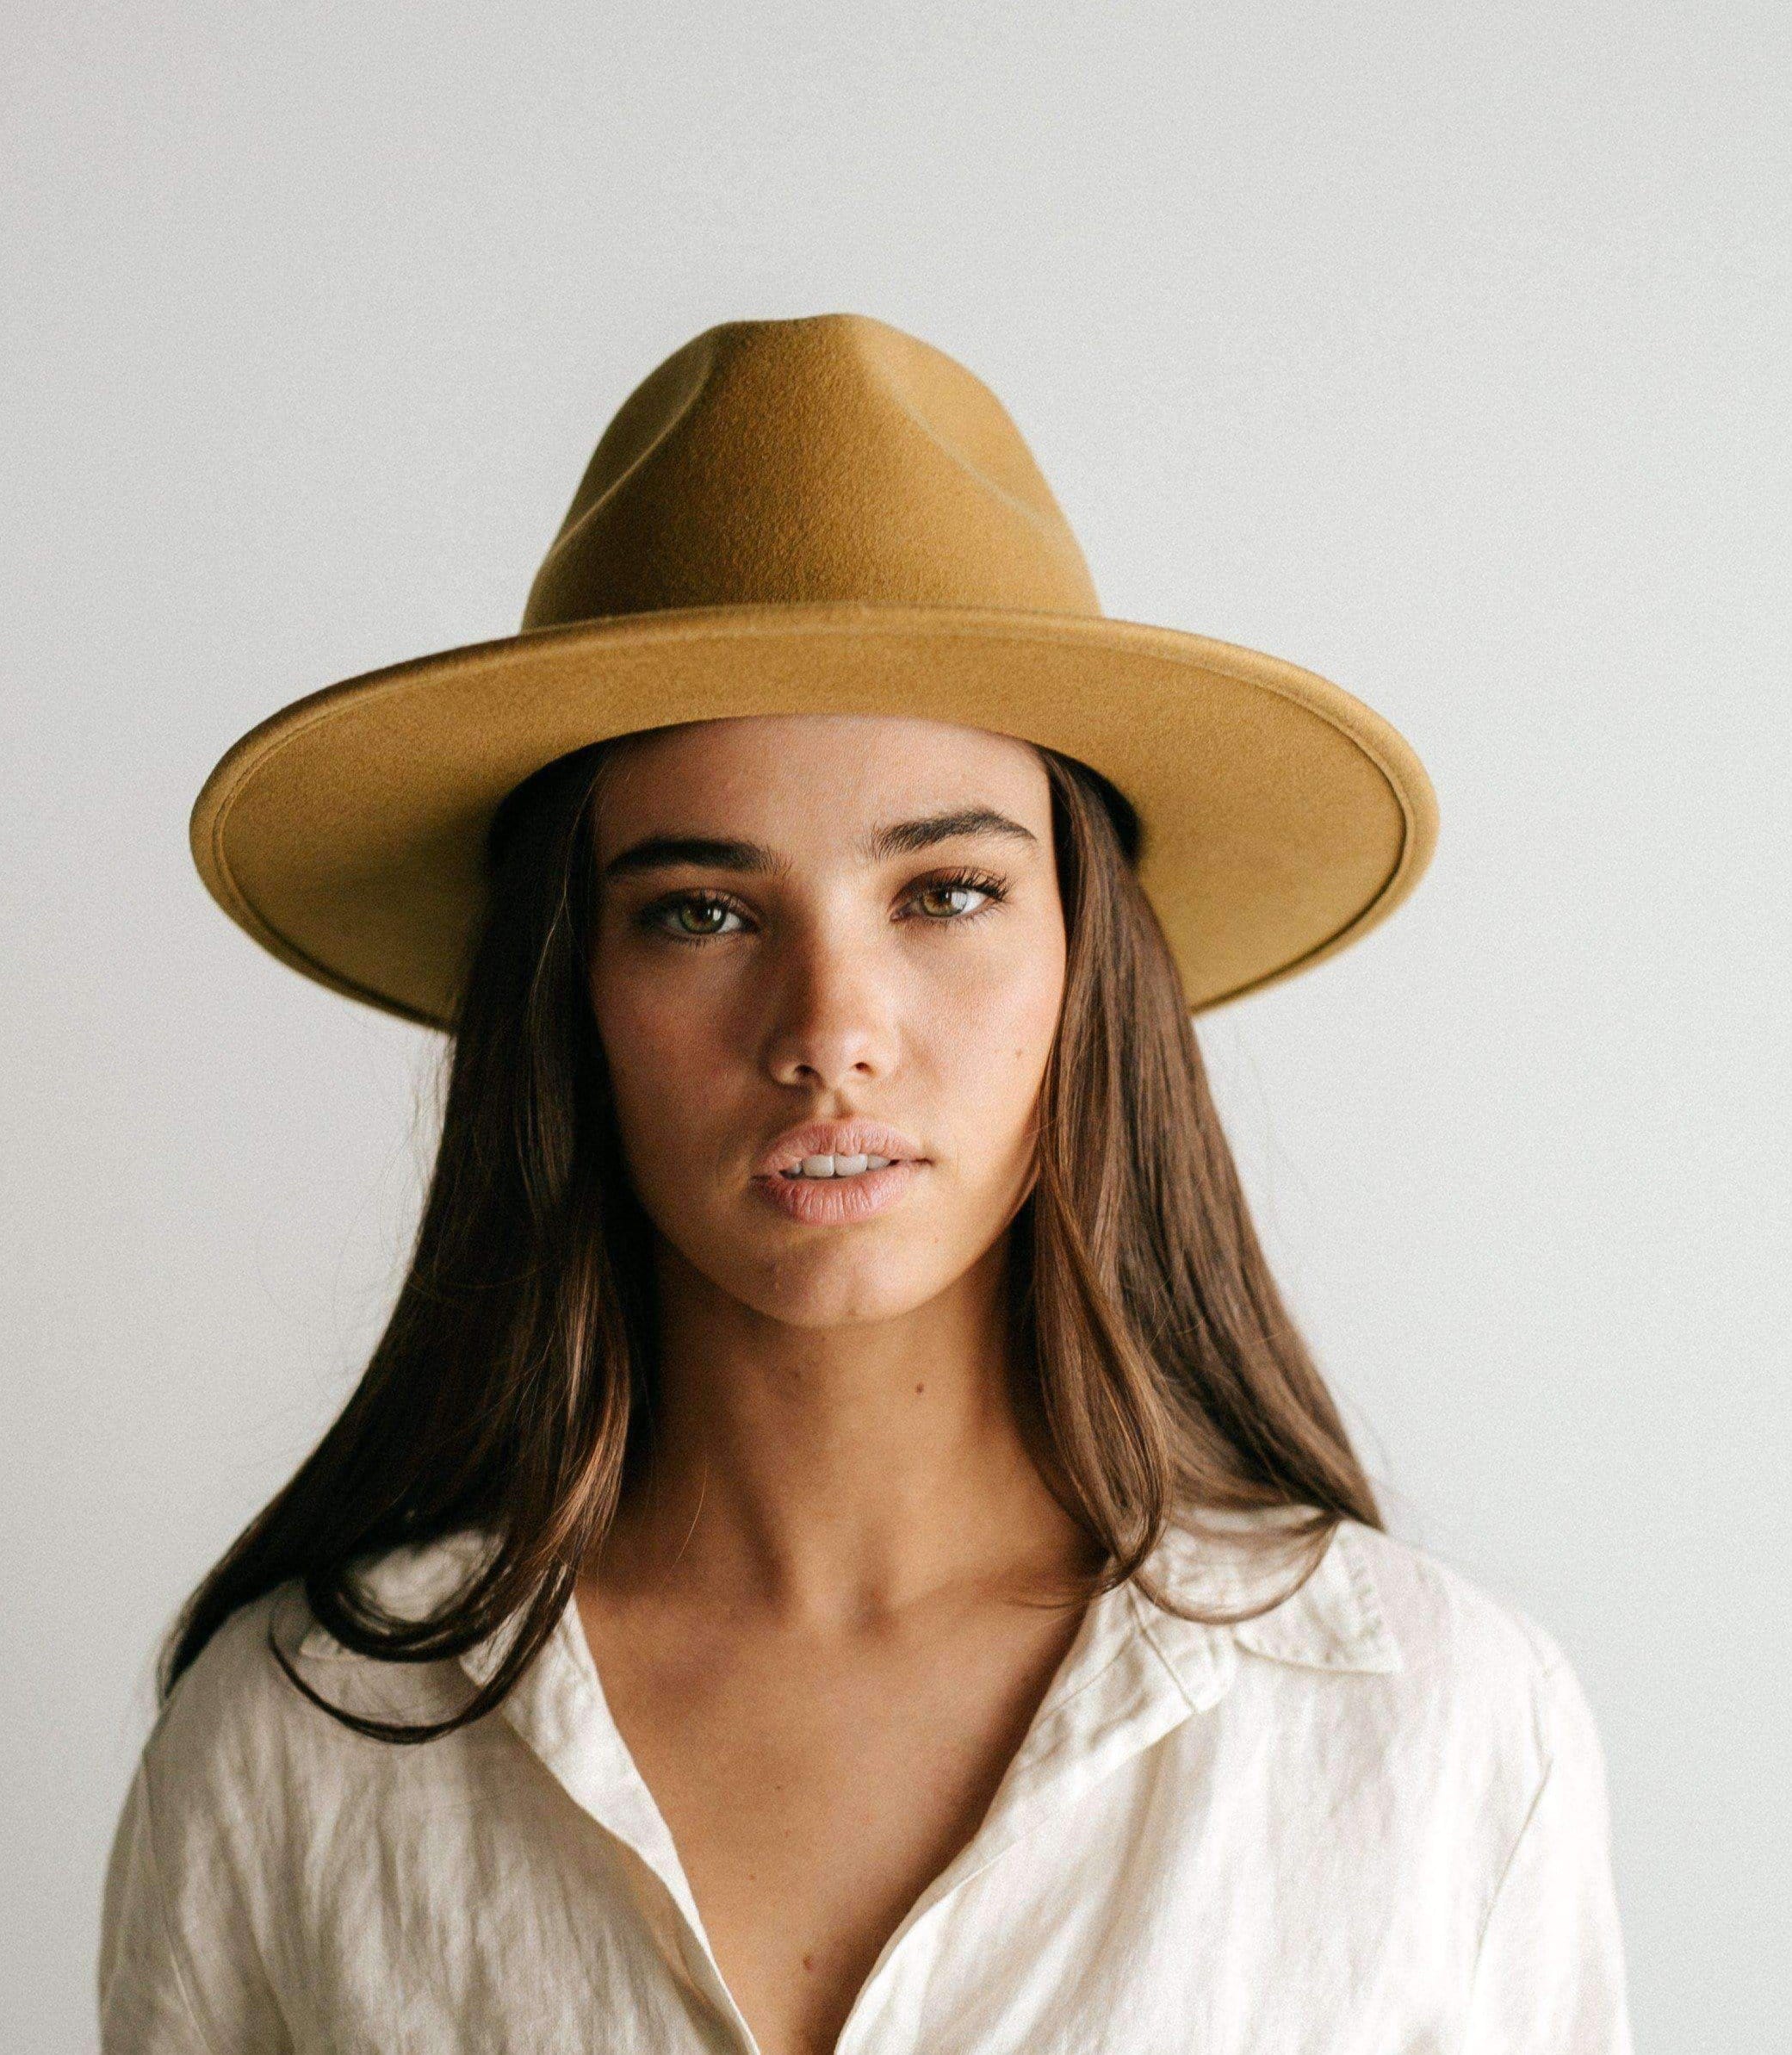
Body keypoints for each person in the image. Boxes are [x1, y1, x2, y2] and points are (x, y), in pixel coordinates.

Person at [99, 314, 1633, 2053]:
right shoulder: (299, 1744)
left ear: (1086, 962)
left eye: (945, 892)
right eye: (698, 909)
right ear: (569, 996)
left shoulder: (1424, 1726)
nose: (830, 1031)